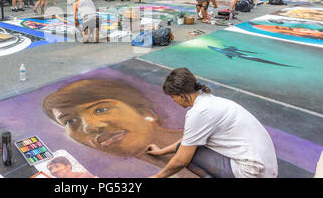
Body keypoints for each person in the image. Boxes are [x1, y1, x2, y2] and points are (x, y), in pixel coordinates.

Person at [42, 79, 200, 178]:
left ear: (145, 112)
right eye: (70, 121)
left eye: (101, 110)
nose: (90, 127)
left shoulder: (207, 142)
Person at [147, 68, 278, 178]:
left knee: (187, 156)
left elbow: (181, 159)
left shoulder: (199, 113)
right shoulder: (210, 101)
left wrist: (156, 177)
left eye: (172, 97)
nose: (173, 100)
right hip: (267, 168)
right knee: (189, 148)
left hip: (252, 172)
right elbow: (189, 140)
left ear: (181, 96)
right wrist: (161, 151)